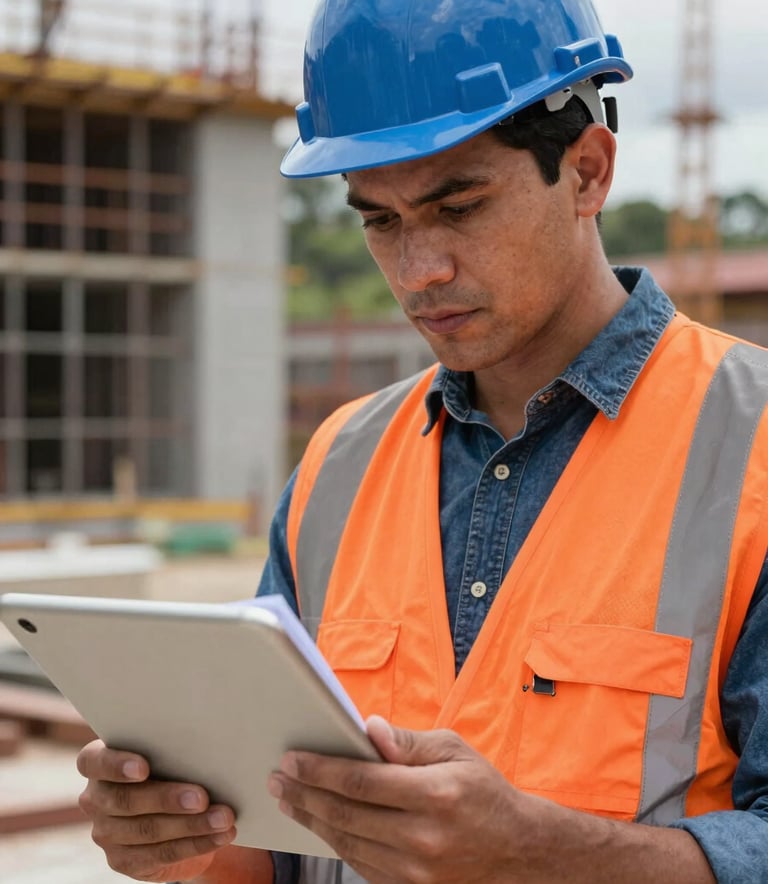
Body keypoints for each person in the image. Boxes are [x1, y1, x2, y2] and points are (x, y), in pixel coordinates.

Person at [76, 0, 768, 882]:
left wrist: (541, 854)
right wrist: (181, 835)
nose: (419, 271)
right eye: (381, 221)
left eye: (460, 206)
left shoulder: (754, 445)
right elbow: (275, 848)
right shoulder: (340, 462)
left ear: (588, 172)